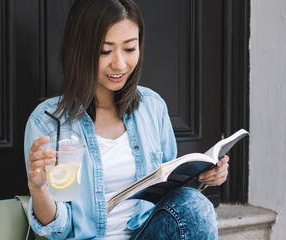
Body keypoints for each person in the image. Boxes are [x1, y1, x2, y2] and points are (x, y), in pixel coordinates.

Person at [24, 0, 229, 239]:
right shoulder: (48, 121)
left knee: (193, 203)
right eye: (105, 51)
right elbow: (58, 230)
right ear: (81, 49)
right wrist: (37, 188)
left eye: (129, 49)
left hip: (145, 232)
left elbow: (169, 193)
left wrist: (203, 177)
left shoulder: (152, 107)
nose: (119, 64)